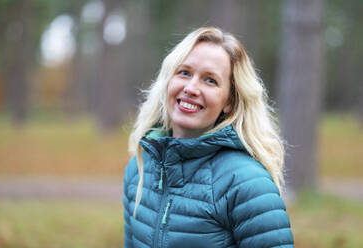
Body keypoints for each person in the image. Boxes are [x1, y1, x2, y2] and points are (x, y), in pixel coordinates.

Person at [123, 27, 294, 248]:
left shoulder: (246, 183)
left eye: (210, 80)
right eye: (184, 72)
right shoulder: (139, 168)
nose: (191, 88)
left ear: (229, 101)